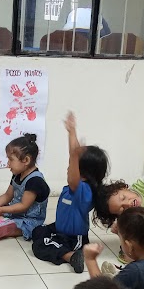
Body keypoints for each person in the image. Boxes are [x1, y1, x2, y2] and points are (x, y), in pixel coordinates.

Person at [31, 112, 108, 273]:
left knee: (39, 247)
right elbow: (74, 154)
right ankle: (64, 250)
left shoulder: (83, 190)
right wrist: (71, 131)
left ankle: (71, 256)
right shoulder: (79, 185)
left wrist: (74, 155)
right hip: (60, 229)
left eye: (72, 165)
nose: (69, 167)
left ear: (84, 173)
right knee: (38, 231)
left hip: (74, 238)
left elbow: (74, 166)